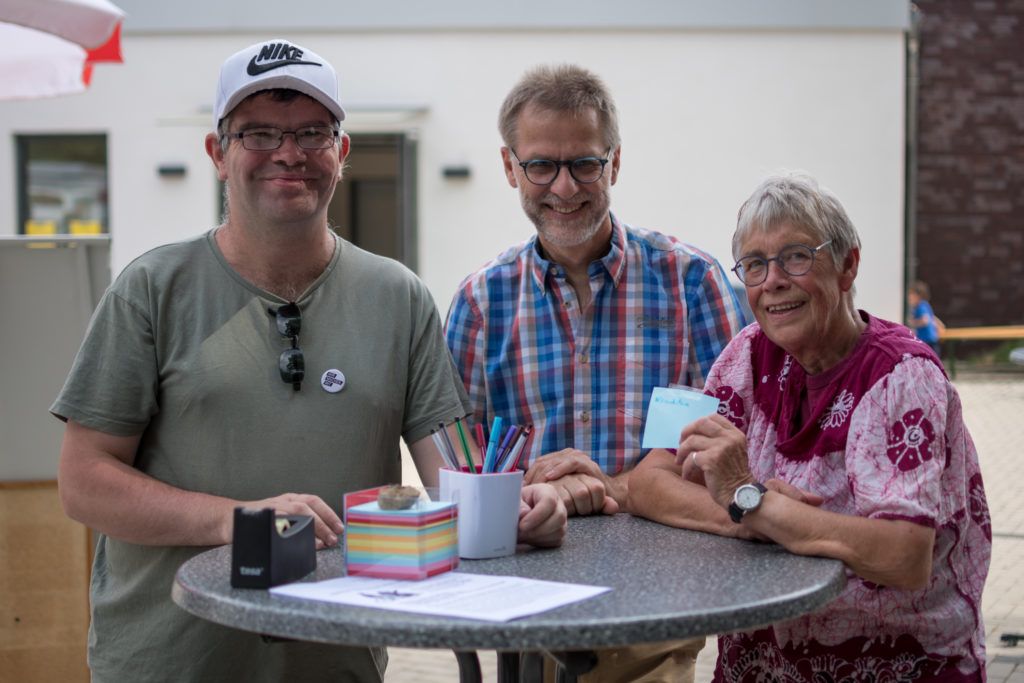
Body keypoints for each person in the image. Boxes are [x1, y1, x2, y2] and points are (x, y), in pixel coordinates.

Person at [51, 39, 566, 683]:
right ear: (217, 153)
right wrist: (236, 523)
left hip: (336, 661)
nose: (289, 153)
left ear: (342, 152)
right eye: (259, 133)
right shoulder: (152, 290)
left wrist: (515, 509)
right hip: (170, 660)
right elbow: (84, 481)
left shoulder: (398, 297)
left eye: (312, 132)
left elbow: (453, 475)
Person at [444, 64, 748, 682]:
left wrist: (607, 486)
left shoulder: (692, 285)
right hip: (523, 612)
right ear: (510, 168)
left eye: (584, 163)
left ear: (615, 163)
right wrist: (535, 493)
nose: (564, 186)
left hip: (658, 610)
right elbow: (464, 470)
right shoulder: (480, 304)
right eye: (541, 165)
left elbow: (734, 449)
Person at [629, 171, 991, 681]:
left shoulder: (900, 376)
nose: (772, 280)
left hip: (894, 665)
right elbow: (648, 481)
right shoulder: (746, 355)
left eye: (796, 256)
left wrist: (754, 501)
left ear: (848, 266)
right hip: (760, 666)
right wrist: (749, 513)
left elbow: (905, 555)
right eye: (755, 265)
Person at [908, 279, 943, 355]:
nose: (909, 297)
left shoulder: (920, 306)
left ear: (919, 296)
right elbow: (932, 317)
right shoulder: (925, 305)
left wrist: (913, 322)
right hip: (932, 339)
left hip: (927, 341)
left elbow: (924, 321)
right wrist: (940, 325)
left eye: (911, 295)